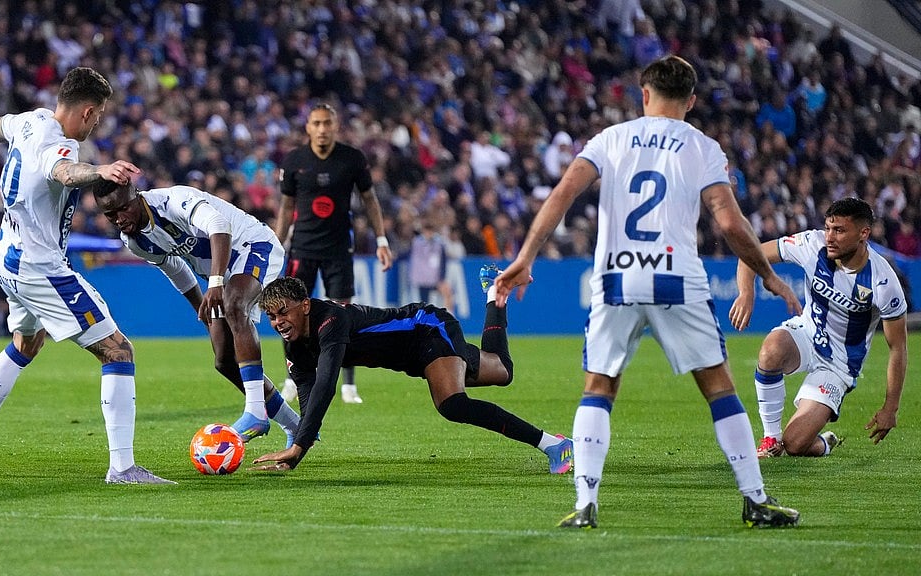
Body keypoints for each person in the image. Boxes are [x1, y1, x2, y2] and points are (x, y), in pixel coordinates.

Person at [494, 56, 803, 529]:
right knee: (719, 388)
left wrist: (526, 256)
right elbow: (727, 221)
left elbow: (561, 194)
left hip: (617, 278)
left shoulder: (610, 139)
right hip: (677, 277)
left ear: (644, 94)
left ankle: (585, 505)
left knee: (598, 388)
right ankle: (755, 500)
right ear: (692, 100)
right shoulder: (702, 146)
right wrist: (766, 273)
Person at [0, 67, 172, 485]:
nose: (99, 122)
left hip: (7, 254)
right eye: (99, 115)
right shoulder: (58, 145)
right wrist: (101, 171)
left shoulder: (28, 120)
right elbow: (65, 173)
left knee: (26, 343)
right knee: (118, 350)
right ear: (87, 112)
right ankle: (122, 468)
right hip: (39, 266)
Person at [248, 273, 574, 474]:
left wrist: (299, 446)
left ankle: (553, 445)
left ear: (304, 305)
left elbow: (326, 384)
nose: (278, 322)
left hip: (426, 328)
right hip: (412, 357)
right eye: (271, 317)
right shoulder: (294, 344)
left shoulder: (330, 320)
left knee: (452, 404)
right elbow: (308, 390)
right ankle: (496, 296)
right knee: (502, 371)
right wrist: (305, 435)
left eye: (283, 312)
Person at [92, 178, 302, 445]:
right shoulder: (135, 241)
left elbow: (219, 227)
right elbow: (176, 269)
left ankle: (255, 412)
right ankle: (294, 425)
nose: (118, 219)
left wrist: (214, 283)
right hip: (224, 275)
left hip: (254, 245)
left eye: (122, 209)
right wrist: (203, 311)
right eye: (109, 215)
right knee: (224, 360)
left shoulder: (173, 201)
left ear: (136, 196)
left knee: (235, 304)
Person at [729, 197, 908, 458]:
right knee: (771, 350)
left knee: (796, 445)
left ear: (863, 233)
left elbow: (898, 348)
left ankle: (822, 443)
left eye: (839, 230)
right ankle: (770, 439)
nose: (830, 237)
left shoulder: (883, 283)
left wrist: (890, 408)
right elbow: (750, 253)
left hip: (839, 364)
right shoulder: (811, 244)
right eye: (828, 228)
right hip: (807, 332)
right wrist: (746, 293)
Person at [274, 102, 394, 404]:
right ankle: (292, 378)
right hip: (302, 247)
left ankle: (349, 385)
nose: (322, 129)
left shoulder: (352, 159)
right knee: (289, 315)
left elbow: (370, 199)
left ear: (335, 126)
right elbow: (286, 207)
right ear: (308, 128)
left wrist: (381, 240)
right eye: (317, 123)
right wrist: (277, 245)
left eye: (327, 123)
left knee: (343, 314)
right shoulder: (294, 160)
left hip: (339, 248)